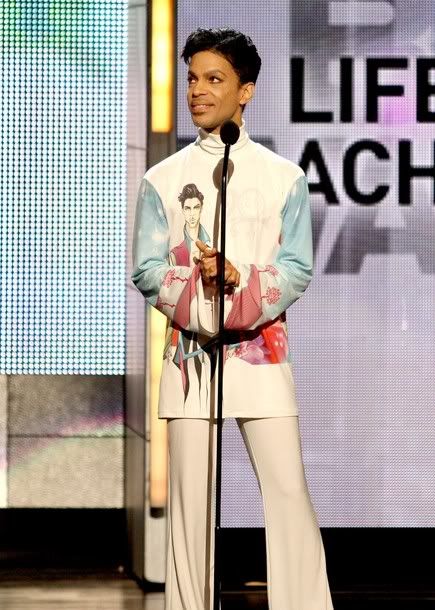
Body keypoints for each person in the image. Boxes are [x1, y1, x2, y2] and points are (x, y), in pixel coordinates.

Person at [131, 27, 334, 610]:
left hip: (261, 358)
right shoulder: (161, 180)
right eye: (192, 78)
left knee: (289, 495)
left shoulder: (284, 177)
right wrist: (202, 289)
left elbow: (296, 268)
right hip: (191, 363)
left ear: (246, 91)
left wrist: (237, 280)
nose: (197, 90)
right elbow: (147, 268)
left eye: (213, 79)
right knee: (190, 511)